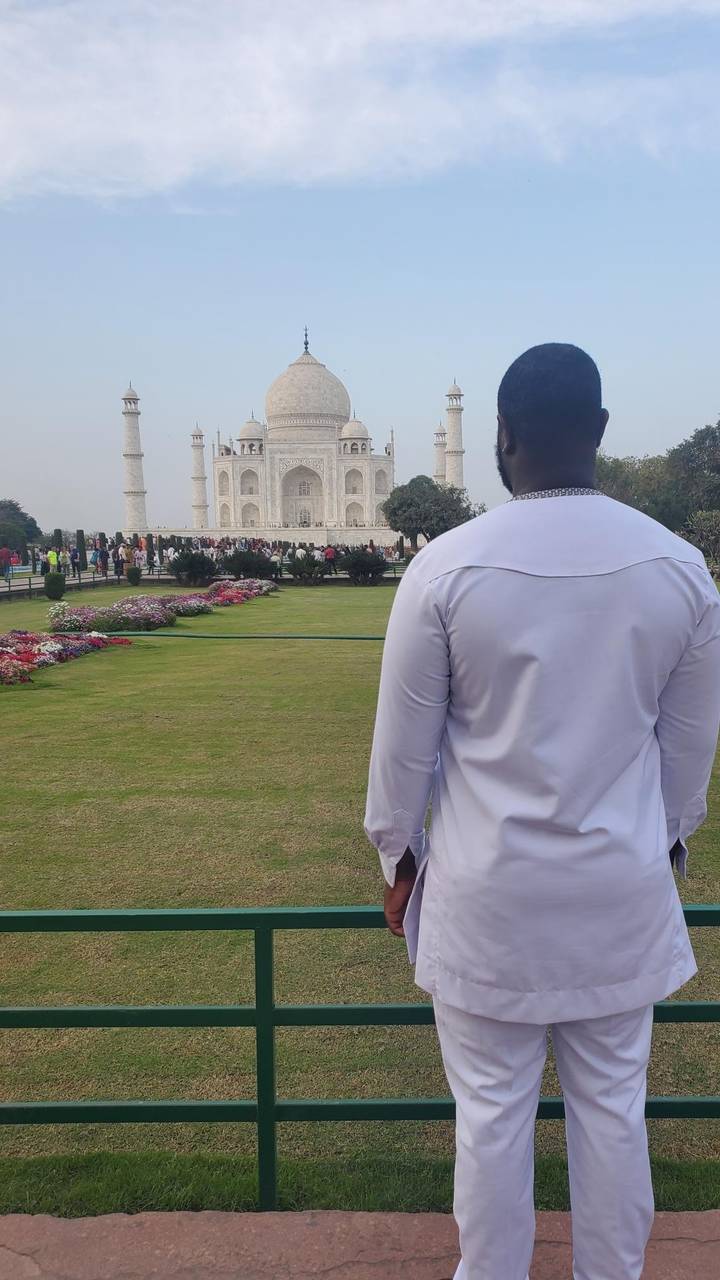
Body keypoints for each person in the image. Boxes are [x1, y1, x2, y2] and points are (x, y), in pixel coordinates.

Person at [364, 342, 720, 1280]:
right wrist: (666, 847)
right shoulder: (679, 568)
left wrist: (398, 863)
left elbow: (401, 758)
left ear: (502, 436)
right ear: (601, 432)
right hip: (617, 892)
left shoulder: (445, 568)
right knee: (613, 1111)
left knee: (488, 1119)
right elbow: (687, 761)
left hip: (486, 899)